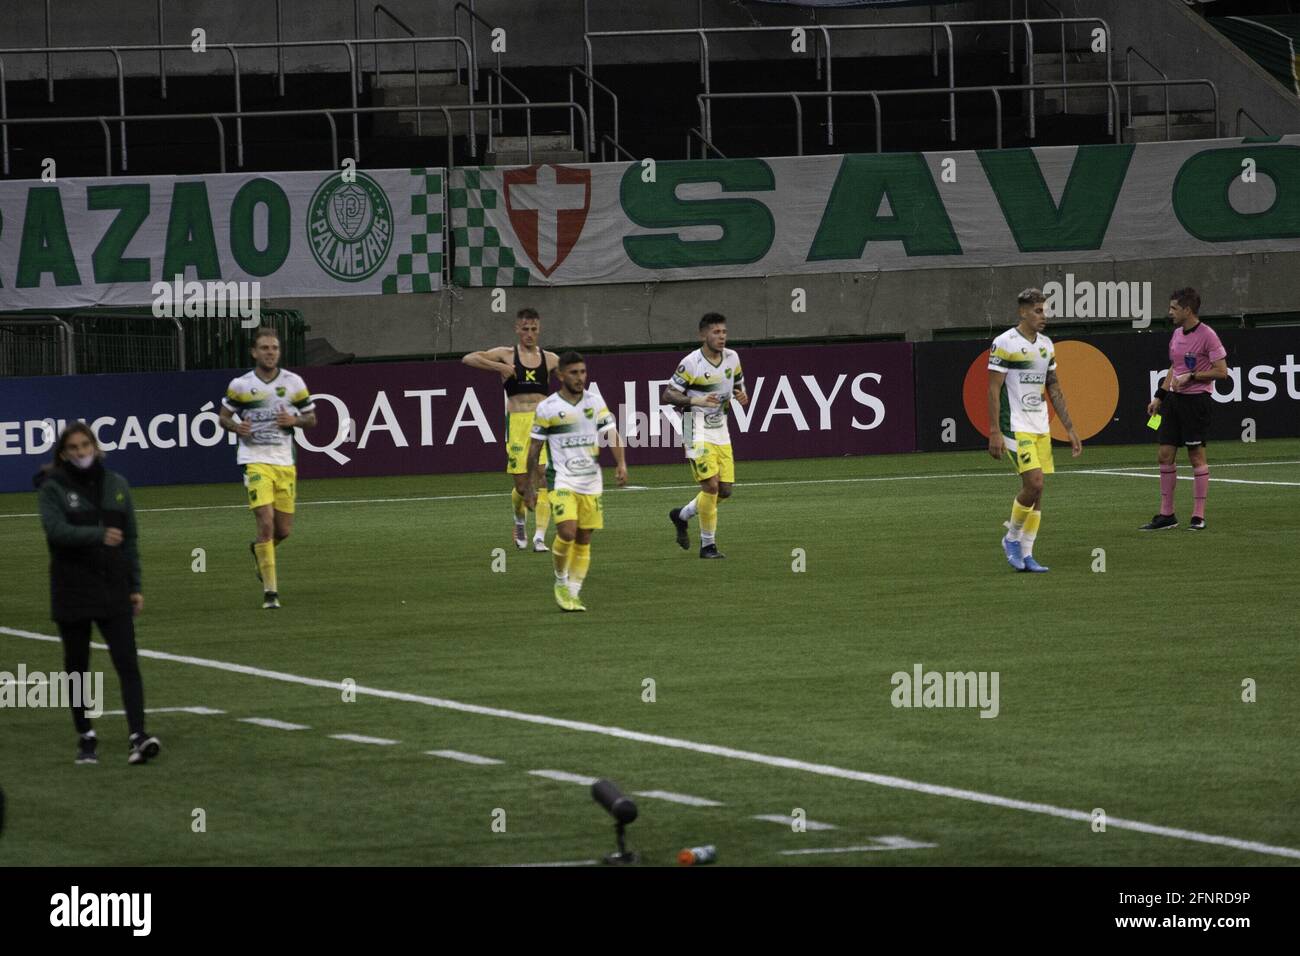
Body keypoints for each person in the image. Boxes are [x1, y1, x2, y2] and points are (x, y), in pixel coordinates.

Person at [35, 422, 160, 765]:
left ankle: (138, 734)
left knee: (128, 662)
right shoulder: (53, 488)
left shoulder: (117, 484)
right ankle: (86, 736)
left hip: (113, 585)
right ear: (63, 453)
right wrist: (98, 535)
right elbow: (56, 531)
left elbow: (130, 539)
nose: (80, 452)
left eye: (85, 445)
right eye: (73, 448)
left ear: (95, 447)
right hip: (72, 586)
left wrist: (135, 586)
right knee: (77, 665)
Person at [218, 327, 317, 609]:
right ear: (254, 352)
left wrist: (294, 421)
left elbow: (311, 419)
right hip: (255, 459)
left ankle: (261, 551)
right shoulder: (240, 385)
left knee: (283, 530)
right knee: (265, 522)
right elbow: (223, 417)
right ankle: (271, 594)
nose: (270, 352)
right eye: (264, 348)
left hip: (285, 462)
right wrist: (237, 426)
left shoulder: (294, 383)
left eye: (274, 348)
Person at [987, 289, 1082, 572]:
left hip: (1039, 424)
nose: (1044, 316)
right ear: (1023, 312)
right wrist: (993, 431)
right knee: (1035, 483)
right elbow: (993, 388)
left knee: (1038, 493)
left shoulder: (1047, 345)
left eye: (1045, 310)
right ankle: (1011, 538)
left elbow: (1053, 384)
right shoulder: (1005, 343)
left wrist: (1070, 428)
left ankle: (1027, 555)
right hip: (1014, 425)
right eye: (1038, 311)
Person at [524, 352, 628, 611]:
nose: (580, 377)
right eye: (574, 372)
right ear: (560, 375)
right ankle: (560, 581)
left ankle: (573, 592)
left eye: (582, 372)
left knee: (584, 538)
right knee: (567, 531)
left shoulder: (594, 402)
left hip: (591, 482)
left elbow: (611, 433)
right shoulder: (547, 408)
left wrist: (621, 463)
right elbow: (534, 449)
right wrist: (529, 486)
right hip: (561, 479)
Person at [462, 308, 559, 552]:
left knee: (543, 478)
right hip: (516, 424)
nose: (529, 334)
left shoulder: (550, 358)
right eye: (525, 329)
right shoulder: (506, 355)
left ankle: (539, 537)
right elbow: (468, 358)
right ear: (517, 329)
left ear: (539, 330)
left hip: (541, 424)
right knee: (522, 486)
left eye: (534, 329)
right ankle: (518, 520)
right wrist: (500, 369)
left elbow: (574, 377)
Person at [663, 313, 749, 559]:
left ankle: (682, 515)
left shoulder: (732, 358)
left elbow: (738, 385)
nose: (721, 337)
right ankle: (708, 546)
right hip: (693, 425)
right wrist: (695, 399)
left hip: (720, 426)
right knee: (710, 486)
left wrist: (742, 395)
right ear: (703, 335)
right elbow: (668, 395)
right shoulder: (691, 363)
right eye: (716, 332)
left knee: (725, 490)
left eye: (724, 332)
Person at [1141, 288, 1228, 531]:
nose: (1170, 313)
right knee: (1164, 454)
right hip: (1174, 402)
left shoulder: (1208, 335)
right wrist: (1160, 395)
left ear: (1187, 310)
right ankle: (1166, 515)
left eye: (1174, 309)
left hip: (1197, 401)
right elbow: (1174, 366)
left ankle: (1198, 515)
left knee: (1195, 456)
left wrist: (1193, 376)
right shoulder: (1177, 334)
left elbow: (1222, 371)